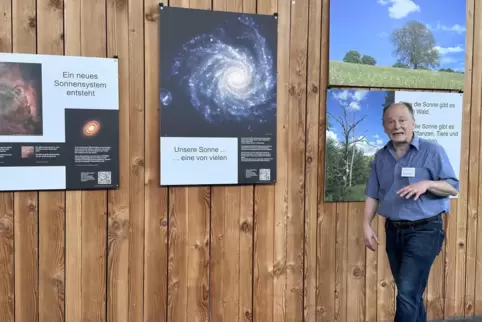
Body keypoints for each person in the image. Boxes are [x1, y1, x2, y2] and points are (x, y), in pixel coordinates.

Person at [363, 102, 459, 322]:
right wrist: (366, 225)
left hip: (425, 230)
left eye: (402, 120)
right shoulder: (380, 157)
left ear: (413, 123)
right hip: (394, 231)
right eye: (391, 121)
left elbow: (452, 186)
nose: (397, 125)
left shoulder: (432, 150)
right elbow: (373, 194)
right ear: (384, 127)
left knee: (406, 293)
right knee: (411, 294)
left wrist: (426, 184)